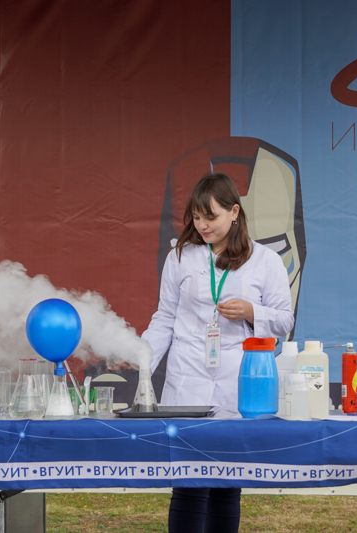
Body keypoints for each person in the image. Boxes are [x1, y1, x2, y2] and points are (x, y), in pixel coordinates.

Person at [142, 172, 294, 533]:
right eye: (196, 217)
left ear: (234, 212)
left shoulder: (265, 260)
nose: (203, 225)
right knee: (188, 484)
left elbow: (284, 320)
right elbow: (165, 316)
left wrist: (252, 312)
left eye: (210, 217)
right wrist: (142, 356)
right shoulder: (181, 256)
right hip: (188, 378)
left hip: (235, 380)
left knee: (227, 482)